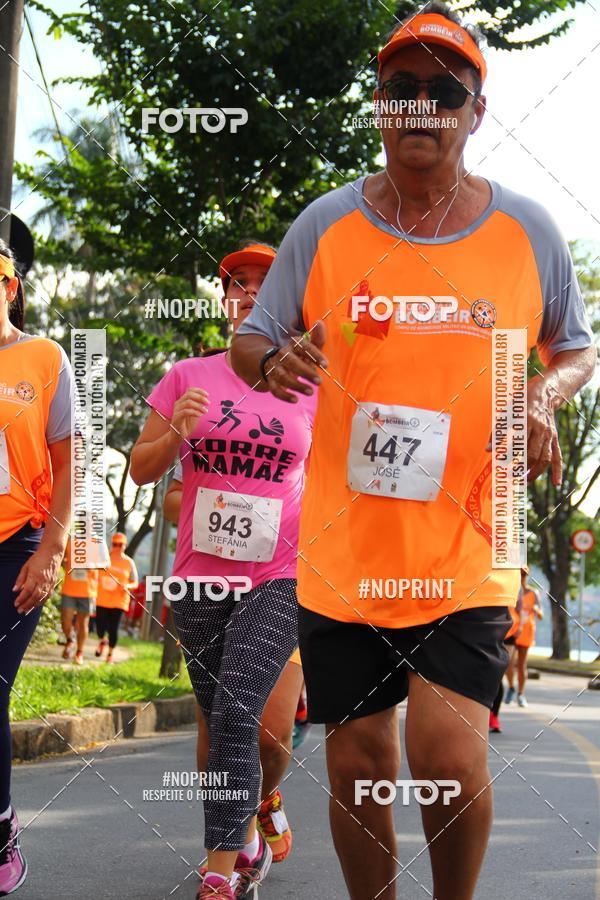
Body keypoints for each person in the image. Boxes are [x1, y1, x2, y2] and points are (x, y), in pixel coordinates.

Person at [229, 4, 596, 898]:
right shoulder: (328, 226)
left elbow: (576, 348)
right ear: (380, 105)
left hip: (473, 538)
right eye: (402, 89)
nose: (421, 105)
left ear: (476, 109)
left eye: (445, 90)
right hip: (348, 550)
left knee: (447, 755)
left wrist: (543, 393)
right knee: (357, 766)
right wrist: (276, 361)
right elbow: (253, 340)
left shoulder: (528, 233)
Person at [131, 240, 316, 899]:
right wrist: (175, 435)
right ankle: (248, 826)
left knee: (253, 719)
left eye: (265, 285)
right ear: (223, 299)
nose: (248, 295)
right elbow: (142, 469)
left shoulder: (316, 388)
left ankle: (221, 873)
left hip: (281, 573)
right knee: (219, 720)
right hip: (201, 575)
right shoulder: (186, 374)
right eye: (237, 284)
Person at [164, 447, 305, 869]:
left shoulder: (311, 411)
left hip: (282, 584)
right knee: (220, 722)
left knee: (273, 735)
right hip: (211, 583)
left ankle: (260, 798)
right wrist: (232, 503)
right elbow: (172, 498)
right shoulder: (208, 410)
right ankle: (235, 846)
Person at [0, 240, 73, 895]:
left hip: (20, 546)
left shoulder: (44, 358)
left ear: (11, 285)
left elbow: (69, 463)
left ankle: (0, 833)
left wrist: (52, 549)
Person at [95, 532, 139, 663]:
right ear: (111, 544)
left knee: (113, 628)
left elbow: (135, 582)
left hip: (119, 600)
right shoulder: (104, 558)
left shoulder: (129, 562)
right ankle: (102, 640)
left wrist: (127, 586)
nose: (117, 547)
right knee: (100, 626)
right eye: (115, 544)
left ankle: (110, 654)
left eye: (120, 545)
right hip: (101, 598)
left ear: (124, 546)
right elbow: (94, 574)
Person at [506, 567, 543, 708]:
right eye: (520, 573)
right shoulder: (512, 591)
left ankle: (521, 694)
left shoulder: (533, 593)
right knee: (509, 663)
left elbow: (541, 614)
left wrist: (535, 610)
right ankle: (510, 687)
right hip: (513, 631)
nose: (522, 576)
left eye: (524, 574)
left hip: (527, 632)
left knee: (522, 665)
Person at [60, 537, 99, 664]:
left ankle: (79, 653)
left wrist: (91, 565)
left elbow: (105, 563)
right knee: (65, 620)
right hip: (69, 589)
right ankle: (70, 639)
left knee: (83, 623)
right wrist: (65, 563)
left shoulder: (97, 542)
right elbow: (61, 557)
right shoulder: (70, 541)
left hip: (87, 591)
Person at [489, 589, 523, 733]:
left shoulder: (516, 586)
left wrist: (519, 628)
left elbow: (521, 611)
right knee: (488, 674)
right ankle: (486, 711)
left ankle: (494, 716)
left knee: (498, 674)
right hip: (489, 629)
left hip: (508, 633)